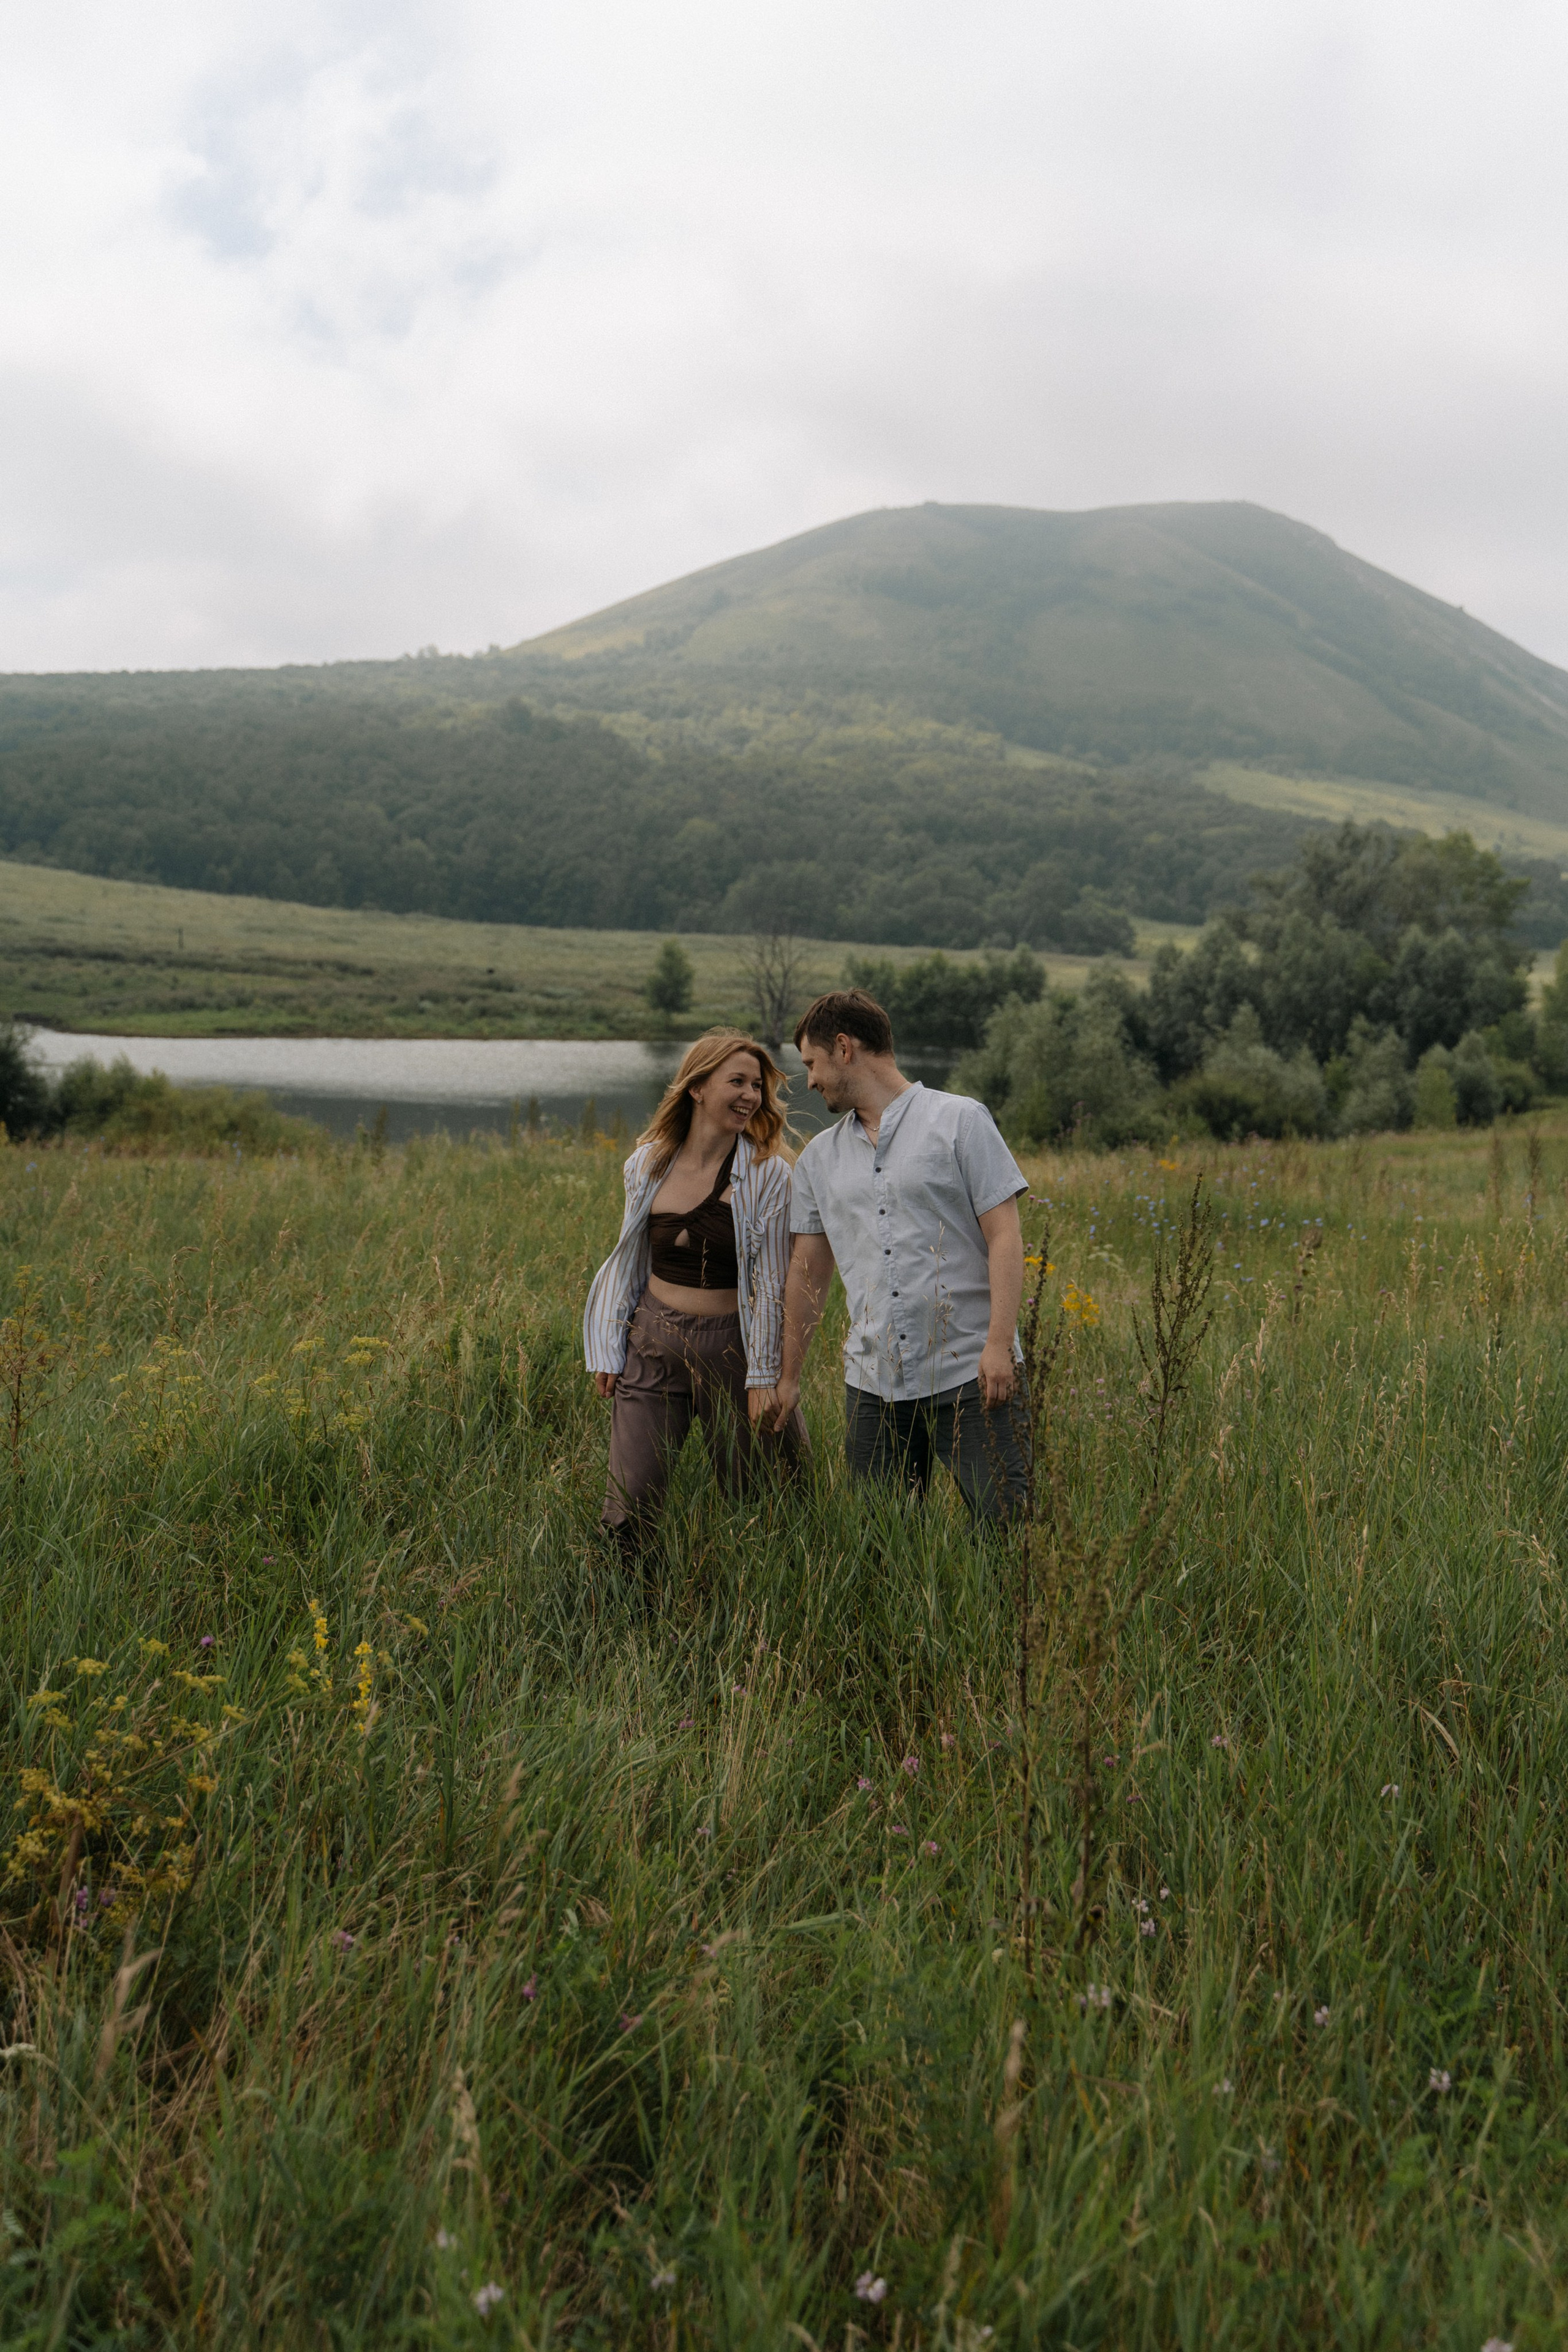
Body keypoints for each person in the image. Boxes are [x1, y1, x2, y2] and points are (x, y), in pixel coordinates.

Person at [767, 988, 1030, 1523]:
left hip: (970, 1370)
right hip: (873, 1384)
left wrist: (1000, 1345)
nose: (810, 1080)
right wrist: (788, 1377)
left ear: (844, 1048)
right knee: (880, 1540)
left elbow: (1005, 1236)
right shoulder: (818, 1160)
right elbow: (808, 1272)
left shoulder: (961, 1121)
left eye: (812, 1063)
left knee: (1006, 1527)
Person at [584, 1029, 805, 1548]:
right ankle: (624, 1610)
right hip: (652, 1342)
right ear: (697, 1088)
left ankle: (766, 1605)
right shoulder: (647, 1163)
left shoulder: (769, 1174)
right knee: (629, 1503)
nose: (751, 1096)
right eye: (738, 1081)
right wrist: (610, 1347)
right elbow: (630, 1258)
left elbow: (772, 1280)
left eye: (757, 1085)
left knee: (763, 1500)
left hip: (734, 1348)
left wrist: (763, 1377)